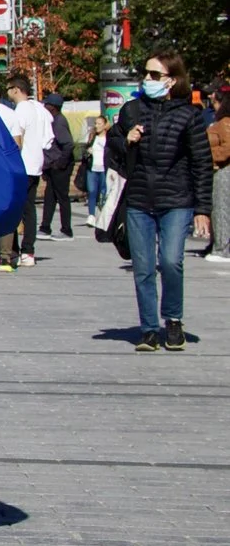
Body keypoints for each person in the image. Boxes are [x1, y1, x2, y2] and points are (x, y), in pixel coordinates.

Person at [110, 49, 214, 351]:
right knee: (143, 267)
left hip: (176, 200)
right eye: (145, 73)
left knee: (170, 261)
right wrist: (126, 139)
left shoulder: (189, 115)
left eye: (154, 75)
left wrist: (202, 209)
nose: (147, 79)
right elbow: (112, 145)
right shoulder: (132, 111)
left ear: (172, 80)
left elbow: (202, 163)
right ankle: (149, 329)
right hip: (140, 199)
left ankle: (173, 320)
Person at [2, 80, 53, 266]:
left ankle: (14, 250)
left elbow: (18, 137)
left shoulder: (22, 109)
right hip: (35, 163)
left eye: (9, 89)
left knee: (16, 209)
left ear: (16, 89)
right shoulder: (38, 108)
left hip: (22, 165)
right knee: (29, 209)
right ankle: (29, 251)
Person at [37, 91, 75, 241]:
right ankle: (45, 227)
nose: (44, 106)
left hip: (60, 166)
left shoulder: (59, 122)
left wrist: (60, 163)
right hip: (53, 165)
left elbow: (68, 144)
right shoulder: (52, 120)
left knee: (62, 197)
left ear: (53, 107)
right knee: (49, 197)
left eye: (47, 104)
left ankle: (67, 230)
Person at [208, 84, 230, 262]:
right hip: (220, 169)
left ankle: (222, 249)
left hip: (224, 170)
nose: (212, 105)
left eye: (214, 101)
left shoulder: (225, 123)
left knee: (221, 208)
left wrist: (211, 157)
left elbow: (228, 146)